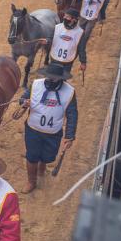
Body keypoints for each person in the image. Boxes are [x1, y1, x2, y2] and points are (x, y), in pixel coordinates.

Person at [19, 63, 78, 193]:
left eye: (54, 77)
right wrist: (24, 102)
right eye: (48, 76)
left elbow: (72, 114)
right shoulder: (36, 84)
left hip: (53, 132)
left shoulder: (69, 92)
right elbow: (23, 98)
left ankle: (42, 167)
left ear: (61, 78)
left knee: (48, 156)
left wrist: (69, 136)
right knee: (32, 156)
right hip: (33, 129)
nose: (50, 79)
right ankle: (31, 181)